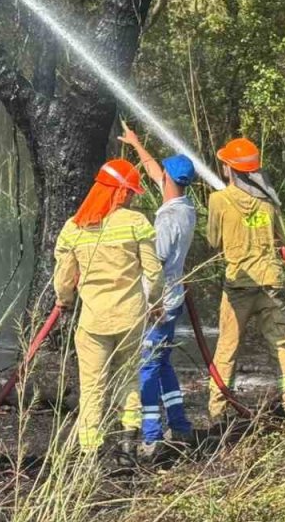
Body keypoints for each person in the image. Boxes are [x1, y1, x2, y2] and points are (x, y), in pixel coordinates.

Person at [53, 158, 163, 454]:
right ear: (116, 191)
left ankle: (91, 452)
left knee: (92, 387)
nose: (129, 197)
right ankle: (129, 441)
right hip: (131, 318)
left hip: (93, 322)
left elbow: (63, 278)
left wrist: (64, 301)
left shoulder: (74, 227)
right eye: (127, 191)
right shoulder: (136, 223)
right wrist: (157, 302)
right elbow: (153, 272)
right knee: (128, 377)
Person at [206, 137, 285, 426]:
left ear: (230, 168)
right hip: (271, 283)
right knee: (281, 347)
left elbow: (213, 241)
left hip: (239, 287)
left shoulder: (218, 200)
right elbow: (282, 241)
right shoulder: (268, 201)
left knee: (227, 349)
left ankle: (217, 412)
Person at [117, 122, 197, 456]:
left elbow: (157, 262)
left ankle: (150, 436)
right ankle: (179, 425)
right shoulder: (184, 206)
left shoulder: (167, 221)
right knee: (162, 362)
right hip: (174, 299)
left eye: (161, 173)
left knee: (147, 366)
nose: (156, 176)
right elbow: (155, 173)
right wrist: (136, 144)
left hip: (158, 302)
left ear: (168, 178)